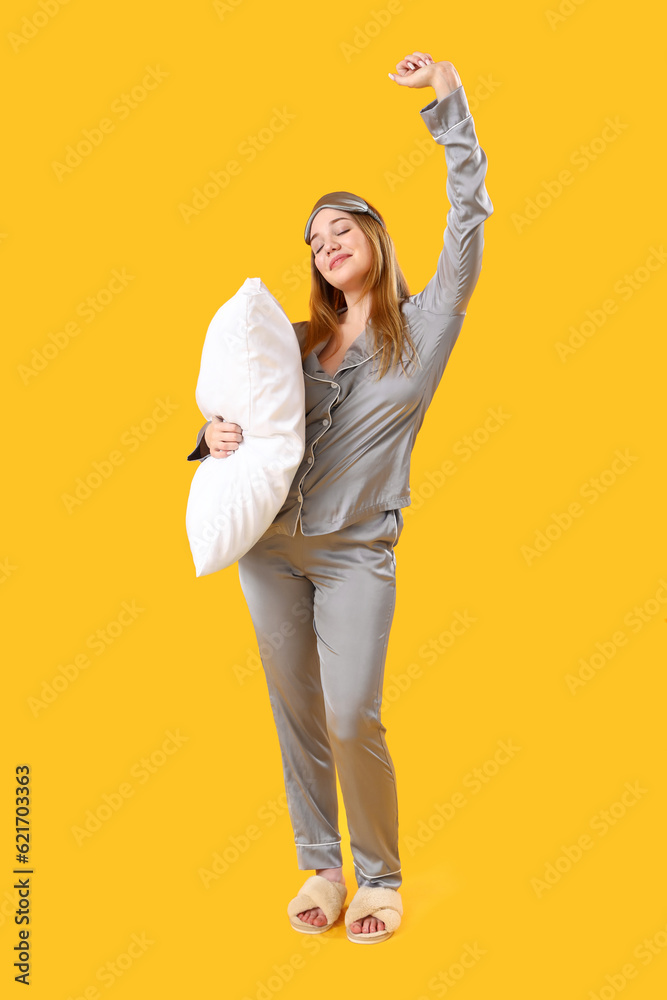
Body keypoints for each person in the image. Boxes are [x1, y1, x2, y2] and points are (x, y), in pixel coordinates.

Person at [186, 51, 494, 943]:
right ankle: (320, 865)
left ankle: (381, 876)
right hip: (270, 547)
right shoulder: (290, 339)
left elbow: (469, 219)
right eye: (314, 240)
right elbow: (231, 406)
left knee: (351, 709)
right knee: (293, 708)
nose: (325, 243)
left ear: (374, 235)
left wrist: (447, 101)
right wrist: (211, 436)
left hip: (358, 548)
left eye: (339, 227)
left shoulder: (423, 328)